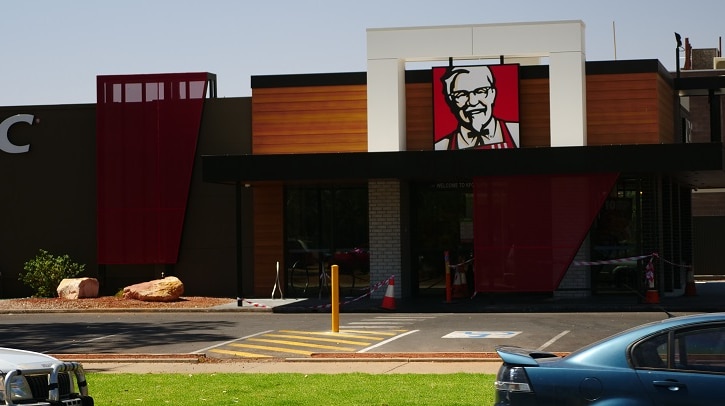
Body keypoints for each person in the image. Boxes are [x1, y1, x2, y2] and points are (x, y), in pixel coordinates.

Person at [435, 65, 519, 150]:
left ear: (493, 94)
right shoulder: (442, 146)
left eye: (480, 91)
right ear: (451, 100)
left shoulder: (515, 131)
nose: (472, 102)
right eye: (461, 94)